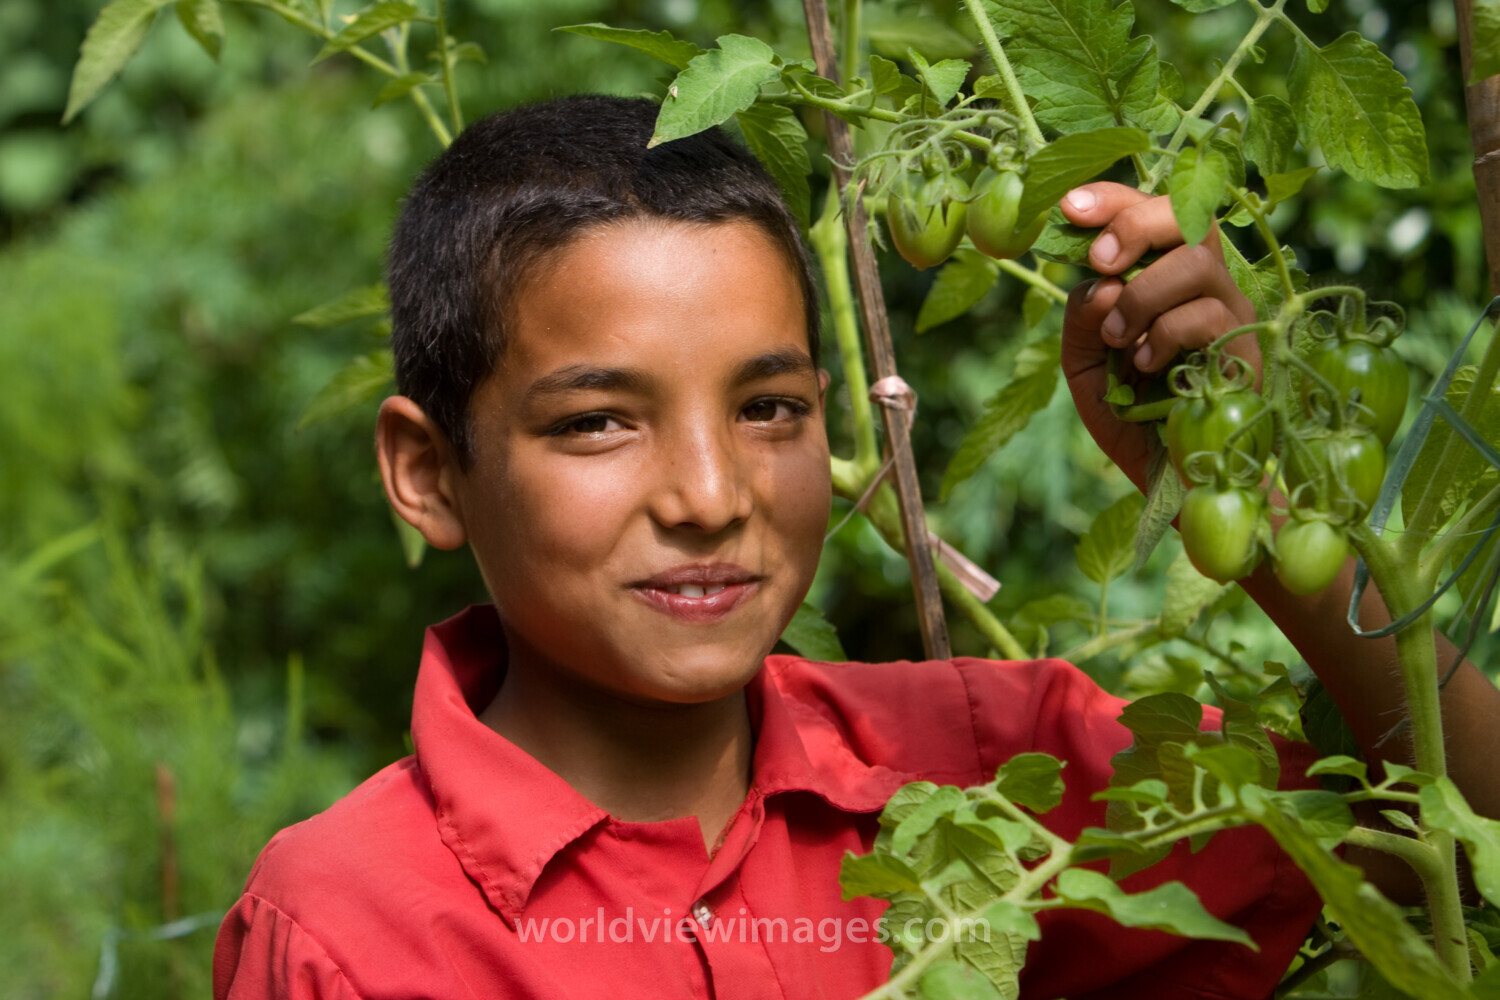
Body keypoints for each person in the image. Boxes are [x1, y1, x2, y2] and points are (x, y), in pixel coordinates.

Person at [212, 94, 1500, 999]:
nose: (712, 495)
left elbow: (1451, 870)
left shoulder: (1000, 777)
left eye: (770, 407)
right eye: (599, 422)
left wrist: (1261, 505)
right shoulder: (344, 932)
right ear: (430, 473)